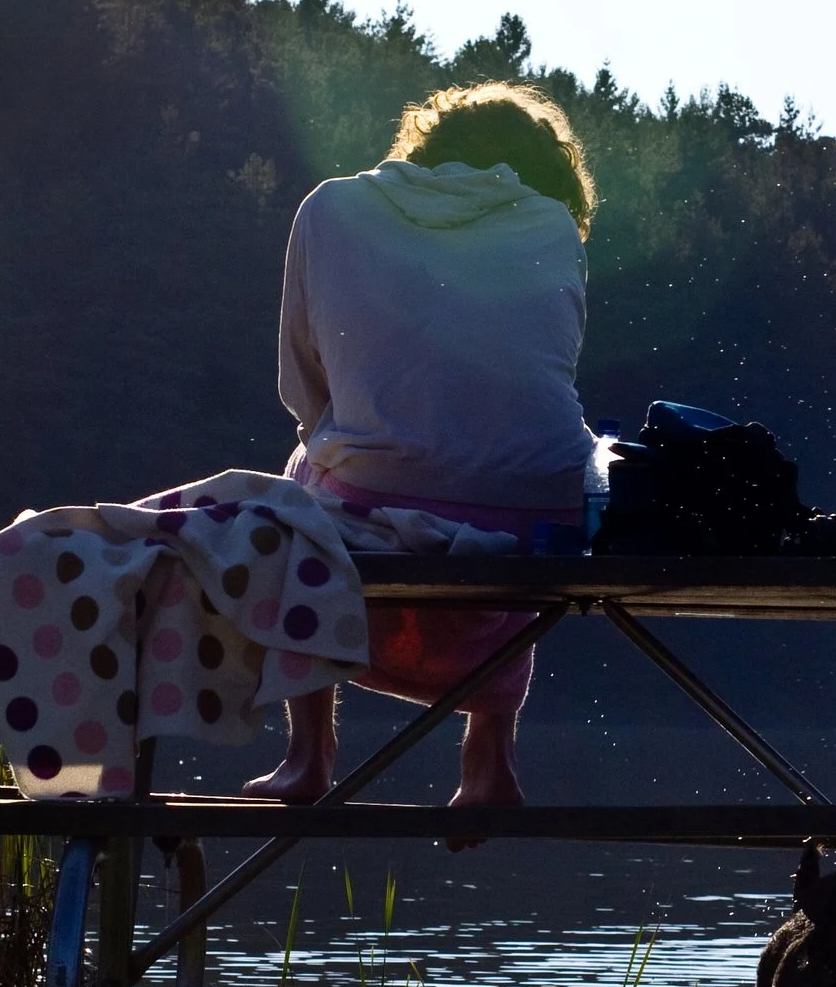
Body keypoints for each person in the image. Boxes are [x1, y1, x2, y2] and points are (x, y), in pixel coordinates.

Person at [245, 81, 596, 815]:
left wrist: (354, 443)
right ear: (545, 169)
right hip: (541, 520)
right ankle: (488, 759)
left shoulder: (330, 207)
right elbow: (532, 386)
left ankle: (308, 756)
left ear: (425, 148)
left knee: (301, 481)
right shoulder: (553, 224)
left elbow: (302, 380)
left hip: (376, 493)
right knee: (523, 465)